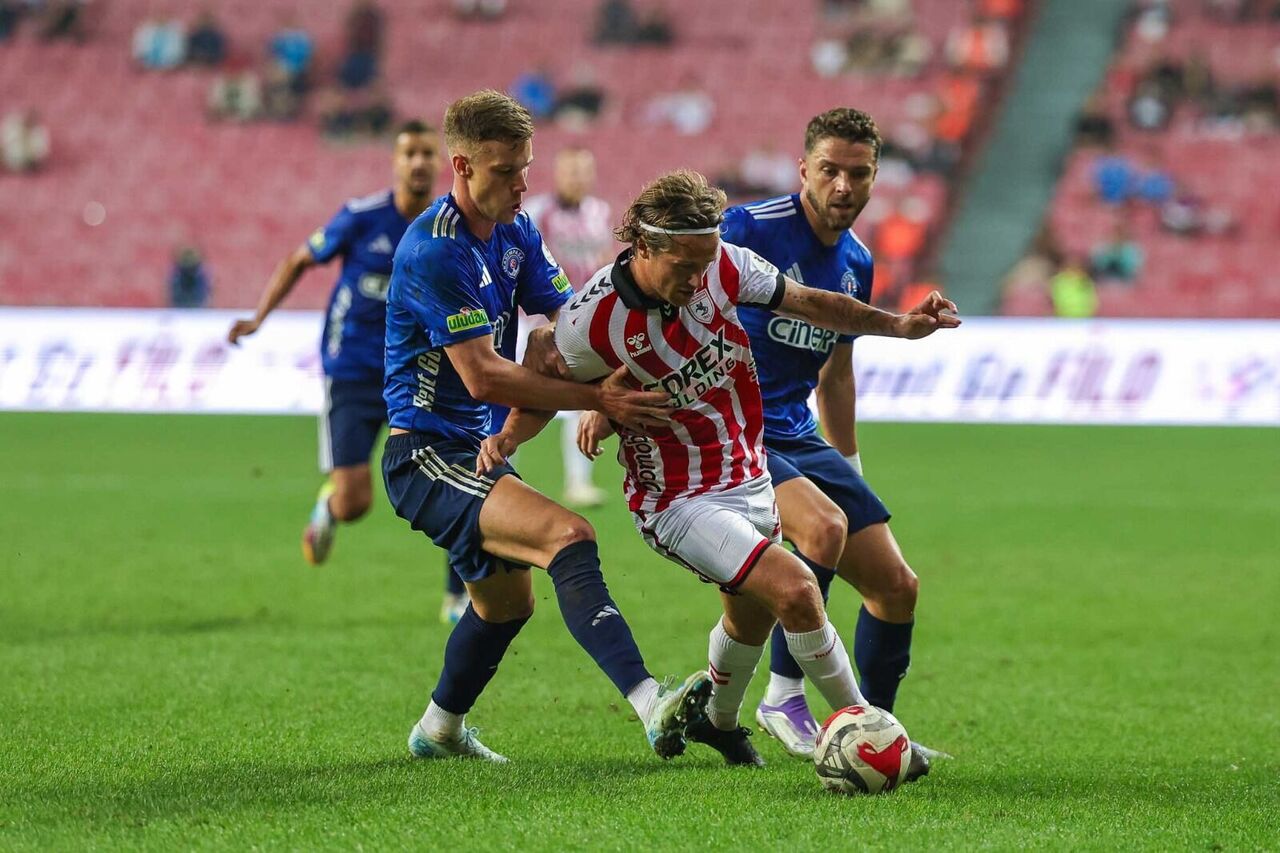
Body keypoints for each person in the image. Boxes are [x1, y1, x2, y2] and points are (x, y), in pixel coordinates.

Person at [479, 169, 958, 774]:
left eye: (704, 263)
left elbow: (811, 302)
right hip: (677, 500)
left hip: (749, 472)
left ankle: (720, 721)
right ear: (643, 247)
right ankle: (871, 731)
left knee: (749, 614)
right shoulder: (591, 321)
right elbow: (545, 383)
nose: (697, 278)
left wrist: (896, 325)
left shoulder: (724, 264)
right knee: (795, 588)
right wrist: (509, 436)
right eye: (684, 266)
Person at [381, 90, 711, 762]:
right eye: (505, 171)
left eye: (525, 169)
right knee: (570, 533)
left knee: (506, 605)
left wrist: (604, 375)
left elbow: (571, 322)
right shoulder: (433, 252)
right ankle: (651, 701)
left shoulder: (518, 232)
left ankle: (439, 730)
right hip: (424, 453)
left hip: (472, 450)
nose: (521, 185)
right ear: (462, 166)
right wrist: (594, 396)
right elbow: (484, 377)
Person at [715, 107, 942, 761]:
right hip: (734, 428)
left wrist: (850, 465)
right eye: (829, 170)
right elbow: (668, 299)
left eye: (859, 173)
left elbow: (836, 376)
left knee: (896, 587)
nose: (843, 186)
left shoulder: (857, 261)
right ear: (803, 169)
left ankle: (877, 734)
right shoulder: (749, 228)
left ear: (875, 177)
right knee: (821, 530)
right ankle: (783, 695)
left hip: (798, 430)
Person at [227, 120, 441, 565]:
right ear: (395, 161)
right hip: (352, 372)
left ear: (440, 162)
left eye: (427, 153)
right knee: (354, 502)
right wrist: (258, 318)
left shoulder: (446, 227)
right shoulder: (361, 217)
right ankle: (329, 505)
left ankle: (459, 594)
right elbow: (298, 260)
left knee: (451, 480)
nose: (418, 162)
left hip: (417, 374)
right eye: (410, 153)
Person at [522, 147, 616, 507]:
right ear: (557, 174)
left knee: (582, 400)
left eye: (582, 171)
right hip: (536, 325)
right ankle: (499, 470)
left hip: (583, 324)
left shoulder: (600, 212)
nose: (576, 178)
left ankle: (578, 483)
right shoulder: (537, 213)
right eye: (570, 171)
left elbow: (605, 260)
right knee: (515, 397)